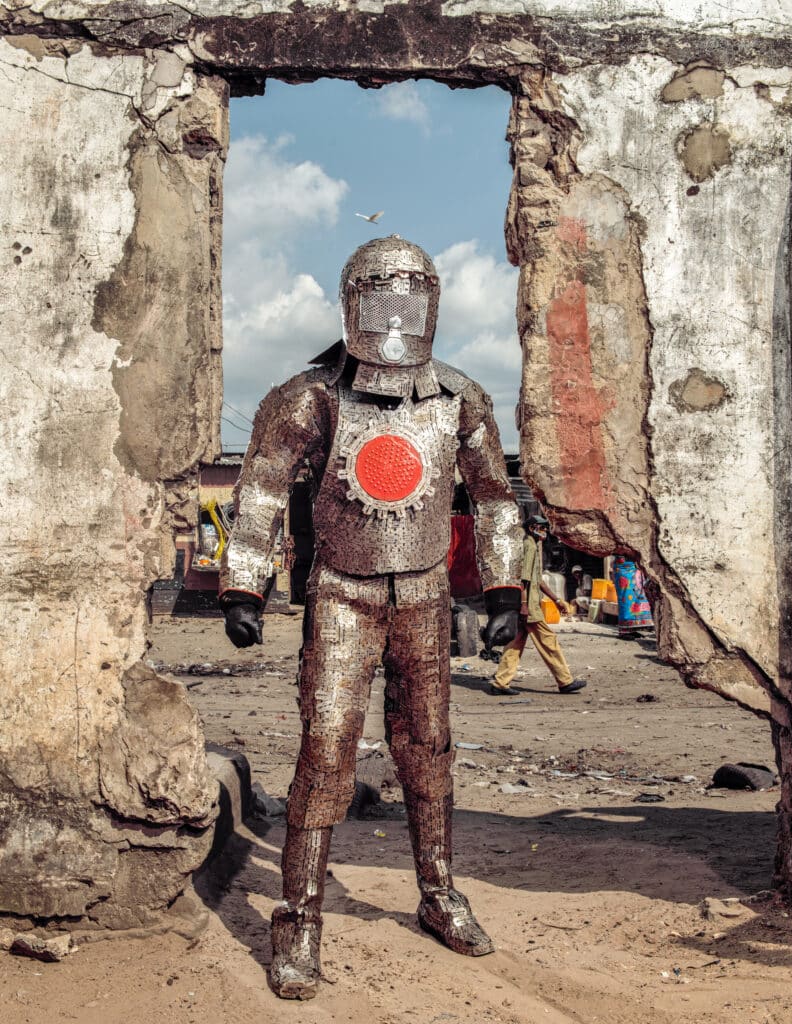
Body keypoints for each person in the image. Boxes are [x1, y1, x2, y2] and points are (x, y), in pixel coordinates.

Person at [218, 236, 524, 1000]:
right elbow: (259, 489)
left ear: (430, 304)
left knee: (428, 748)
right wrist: (244, 585)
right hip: (341, 593)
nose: (394, 315)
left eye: (407, 299)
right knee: (326, 752)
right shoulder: (309, 395)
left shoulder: (459, 396)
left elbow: (491, 497)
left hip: (422, 594)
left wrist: (504, 590)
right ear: (353, 303)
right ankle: (299, 919)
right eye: (381, 299)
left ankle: (439, 890)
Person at [490, 515, 588, 696]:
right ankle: (565, 681)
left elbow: (538, 579)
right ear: (531, 528)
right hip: (528, 606)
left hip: (526, 604)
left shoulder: (533, 545)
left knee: (514, 644)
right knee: (548, 641)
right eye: (541, 528)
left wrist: (556, 600)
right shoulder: (528, 546)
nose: (544, 531)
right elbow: (524, 580)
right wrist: (525, 605)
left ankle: (500, 683)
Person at [612, 555, 654, 639]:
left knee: (638, 598)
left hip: (635, 569)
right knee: (626, 600)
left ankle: (632, 629)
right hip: (622, 568)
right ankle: (624, 631)